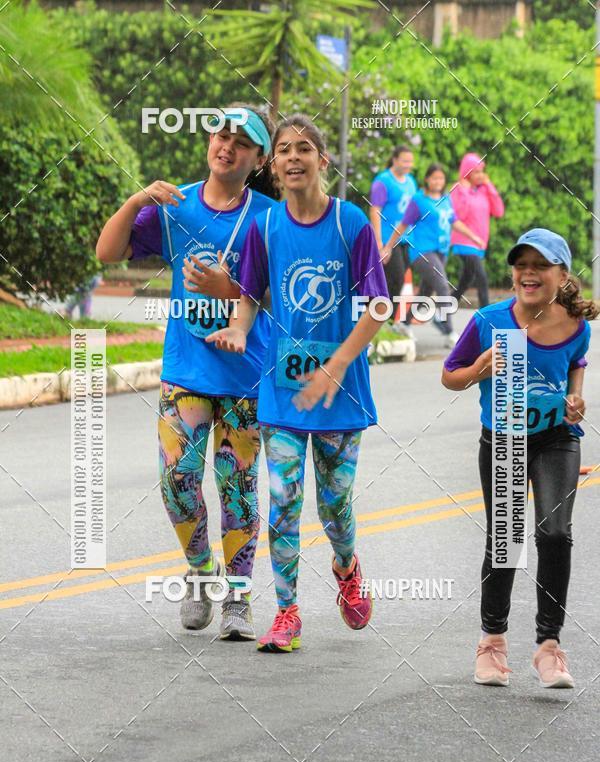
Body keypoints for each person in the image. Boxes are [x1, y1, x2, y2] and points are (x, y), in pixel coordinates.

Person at [206, 114, 389, 653]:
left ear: (322, 161)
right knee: (284, 500)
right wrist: (239, 328)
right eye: (284, 148)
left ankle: (346, 566)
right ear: (274, 163)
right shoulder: (266, 227)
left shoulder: (350, 224)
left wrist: (338, 363)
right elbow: (250, 293)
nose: (292, 157)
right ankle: (287, 613)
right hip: (283, 392)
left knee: (335, 506)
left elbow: (378, 306)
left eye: (303, 148)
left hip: (340, 394)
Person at [96, 105, 280, 639]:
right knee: (176, 482)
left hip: (247, 376)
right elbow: (108, 252)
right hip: (186, 372)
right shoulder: (176, 205)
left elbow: (288, 296)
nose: (228, 146)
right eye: (221, 134)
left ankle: (238, 600)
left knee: (238, 490)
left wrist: (234, 290)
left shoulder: (270, 217)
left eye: (242, 142)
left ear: (258, 159)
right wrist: (136, 201)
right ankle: (201, 570)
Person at [442, 228, 595, 689]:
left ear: (562, 275)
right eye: (521, 265)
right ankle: (492, 643)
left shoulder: (576, 325)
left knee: (555, 533)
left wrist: (575, 398)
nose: (529, 273)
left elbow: (576, 362)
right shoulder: (490, 321)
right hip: (504, 440)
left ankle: (549, 647)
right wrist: (480, 368)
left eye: (540, 265)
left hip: (556, 438)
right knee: (506, 540)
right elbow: (450, 376)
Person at [387, 163, 484, 347]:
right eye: (434, 178)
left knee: (425, 291)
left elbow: (454, 221)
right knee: (442, 286)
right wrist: (388, 246)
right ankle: (449, 331)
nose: (438, 182)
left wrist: (473, 237)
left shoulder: (445, 198)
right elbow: (403, 225)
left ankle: (404, 324)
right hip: (422, 252)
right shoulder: (418, 200)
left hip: (441, 251)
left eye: (441, 178)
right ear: (427, 179)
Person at [450, 153, 504, 309]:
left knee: (465, 281)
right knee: (482, 279)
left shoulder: (484, 190)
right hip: (464, 241)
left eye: (482, 171)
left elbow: (498, 212)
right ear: (467, 173)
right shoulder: (458, 189)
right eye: (476, 172)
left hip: (479, 243)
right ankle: (486, 315)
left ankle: (444, 308)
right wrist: (465, 192)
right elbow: (459, 215)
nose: (481, 175)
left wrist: (490, 186)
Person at [369, 145, 417, 303]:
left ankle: (384, 314)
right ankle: (381, 313)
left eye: (410, 161)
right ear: (395, 160)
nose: (408, 165)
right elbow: (375, 211)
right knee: (395, 279)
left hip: (405, 239)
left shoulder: (411, 182)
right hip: (387, 240)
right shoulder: (383, 181)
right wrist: (378, 242)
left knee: (398, 281)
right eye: (404, 161)